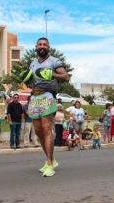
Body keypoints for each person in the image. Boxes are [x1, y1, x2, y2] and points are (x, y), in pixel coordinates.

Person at [27, 37, 69, 177]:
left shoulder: (54, 61)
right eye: (40, 44)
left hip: (48, 96)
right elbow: (31, 81)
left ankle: (50, 165)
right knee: (38, 131)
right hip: (35, 97)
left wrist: (52, 74)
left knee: (46, 129)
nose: (42, 46)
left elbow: (66, 76)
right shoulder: (32, 63)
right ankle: (50, 159)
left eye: (45, 44)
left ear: (49, 47)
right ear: (36, 47)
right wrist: (26, 81)